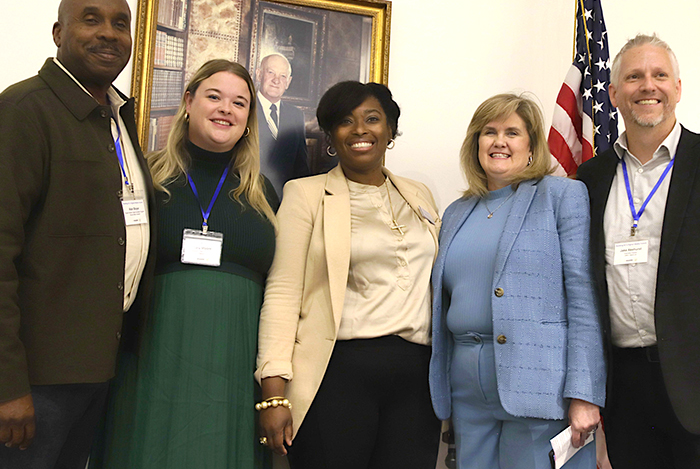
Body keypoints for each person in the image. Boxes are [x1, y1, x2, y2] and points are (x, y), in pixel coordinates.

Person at [90, 60, 278, 469]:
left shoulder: (265, 195)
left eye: (239, 102)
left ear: (249, 119)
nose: (226, 108)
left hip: (235, 362)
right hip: (151, 359)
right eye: (214, 96)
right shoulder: (144, 178)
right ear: (189, 102)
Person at [0, 0, 155, 469]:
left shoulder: (116, 115)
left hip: (97, 368)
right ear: (57, 32)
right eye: (91, 20)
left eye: (120, 23)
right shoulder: (24, 111)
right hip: (36, 381)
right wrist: (8, 386)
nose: (108, 34)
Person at [256, 81, 442, 469]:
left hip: (417, 379)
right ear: (331, 136)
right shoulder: (305, 194)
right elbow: (283, 292)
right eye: (345, 121)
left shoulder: (420, 194)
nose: (360, 130)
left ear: (390, 130)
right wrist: (273, 393)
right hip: (338, 374)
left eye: (372, 119)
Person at [430, 93, 606, 469]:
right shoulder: (456, 212)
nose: (499, 141)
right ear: (475, 143)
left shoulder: (562, 196)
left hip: (539, 382)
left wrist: (584, 392)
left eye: (512, 132)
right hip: (466, 386)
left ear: (531, 146)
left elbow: (583, 301)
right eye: (489, 132)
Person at [577, 34, 700, 468]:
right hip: (624, 388)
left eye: (659, 75)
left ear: (678, 88)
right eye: (634, 77)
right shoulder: (590, 178)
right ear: (613, 94)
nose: (648, 85)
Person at [256, 53, 310, 197]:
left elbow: (301, 167)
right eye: (271, 72)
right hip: (247, 200)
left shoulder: (296, 116)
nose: (276, 80)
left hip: (284, 202)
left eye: (283, 76)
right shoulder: (244, 109)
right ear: (259, 74)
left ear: (288, 82)